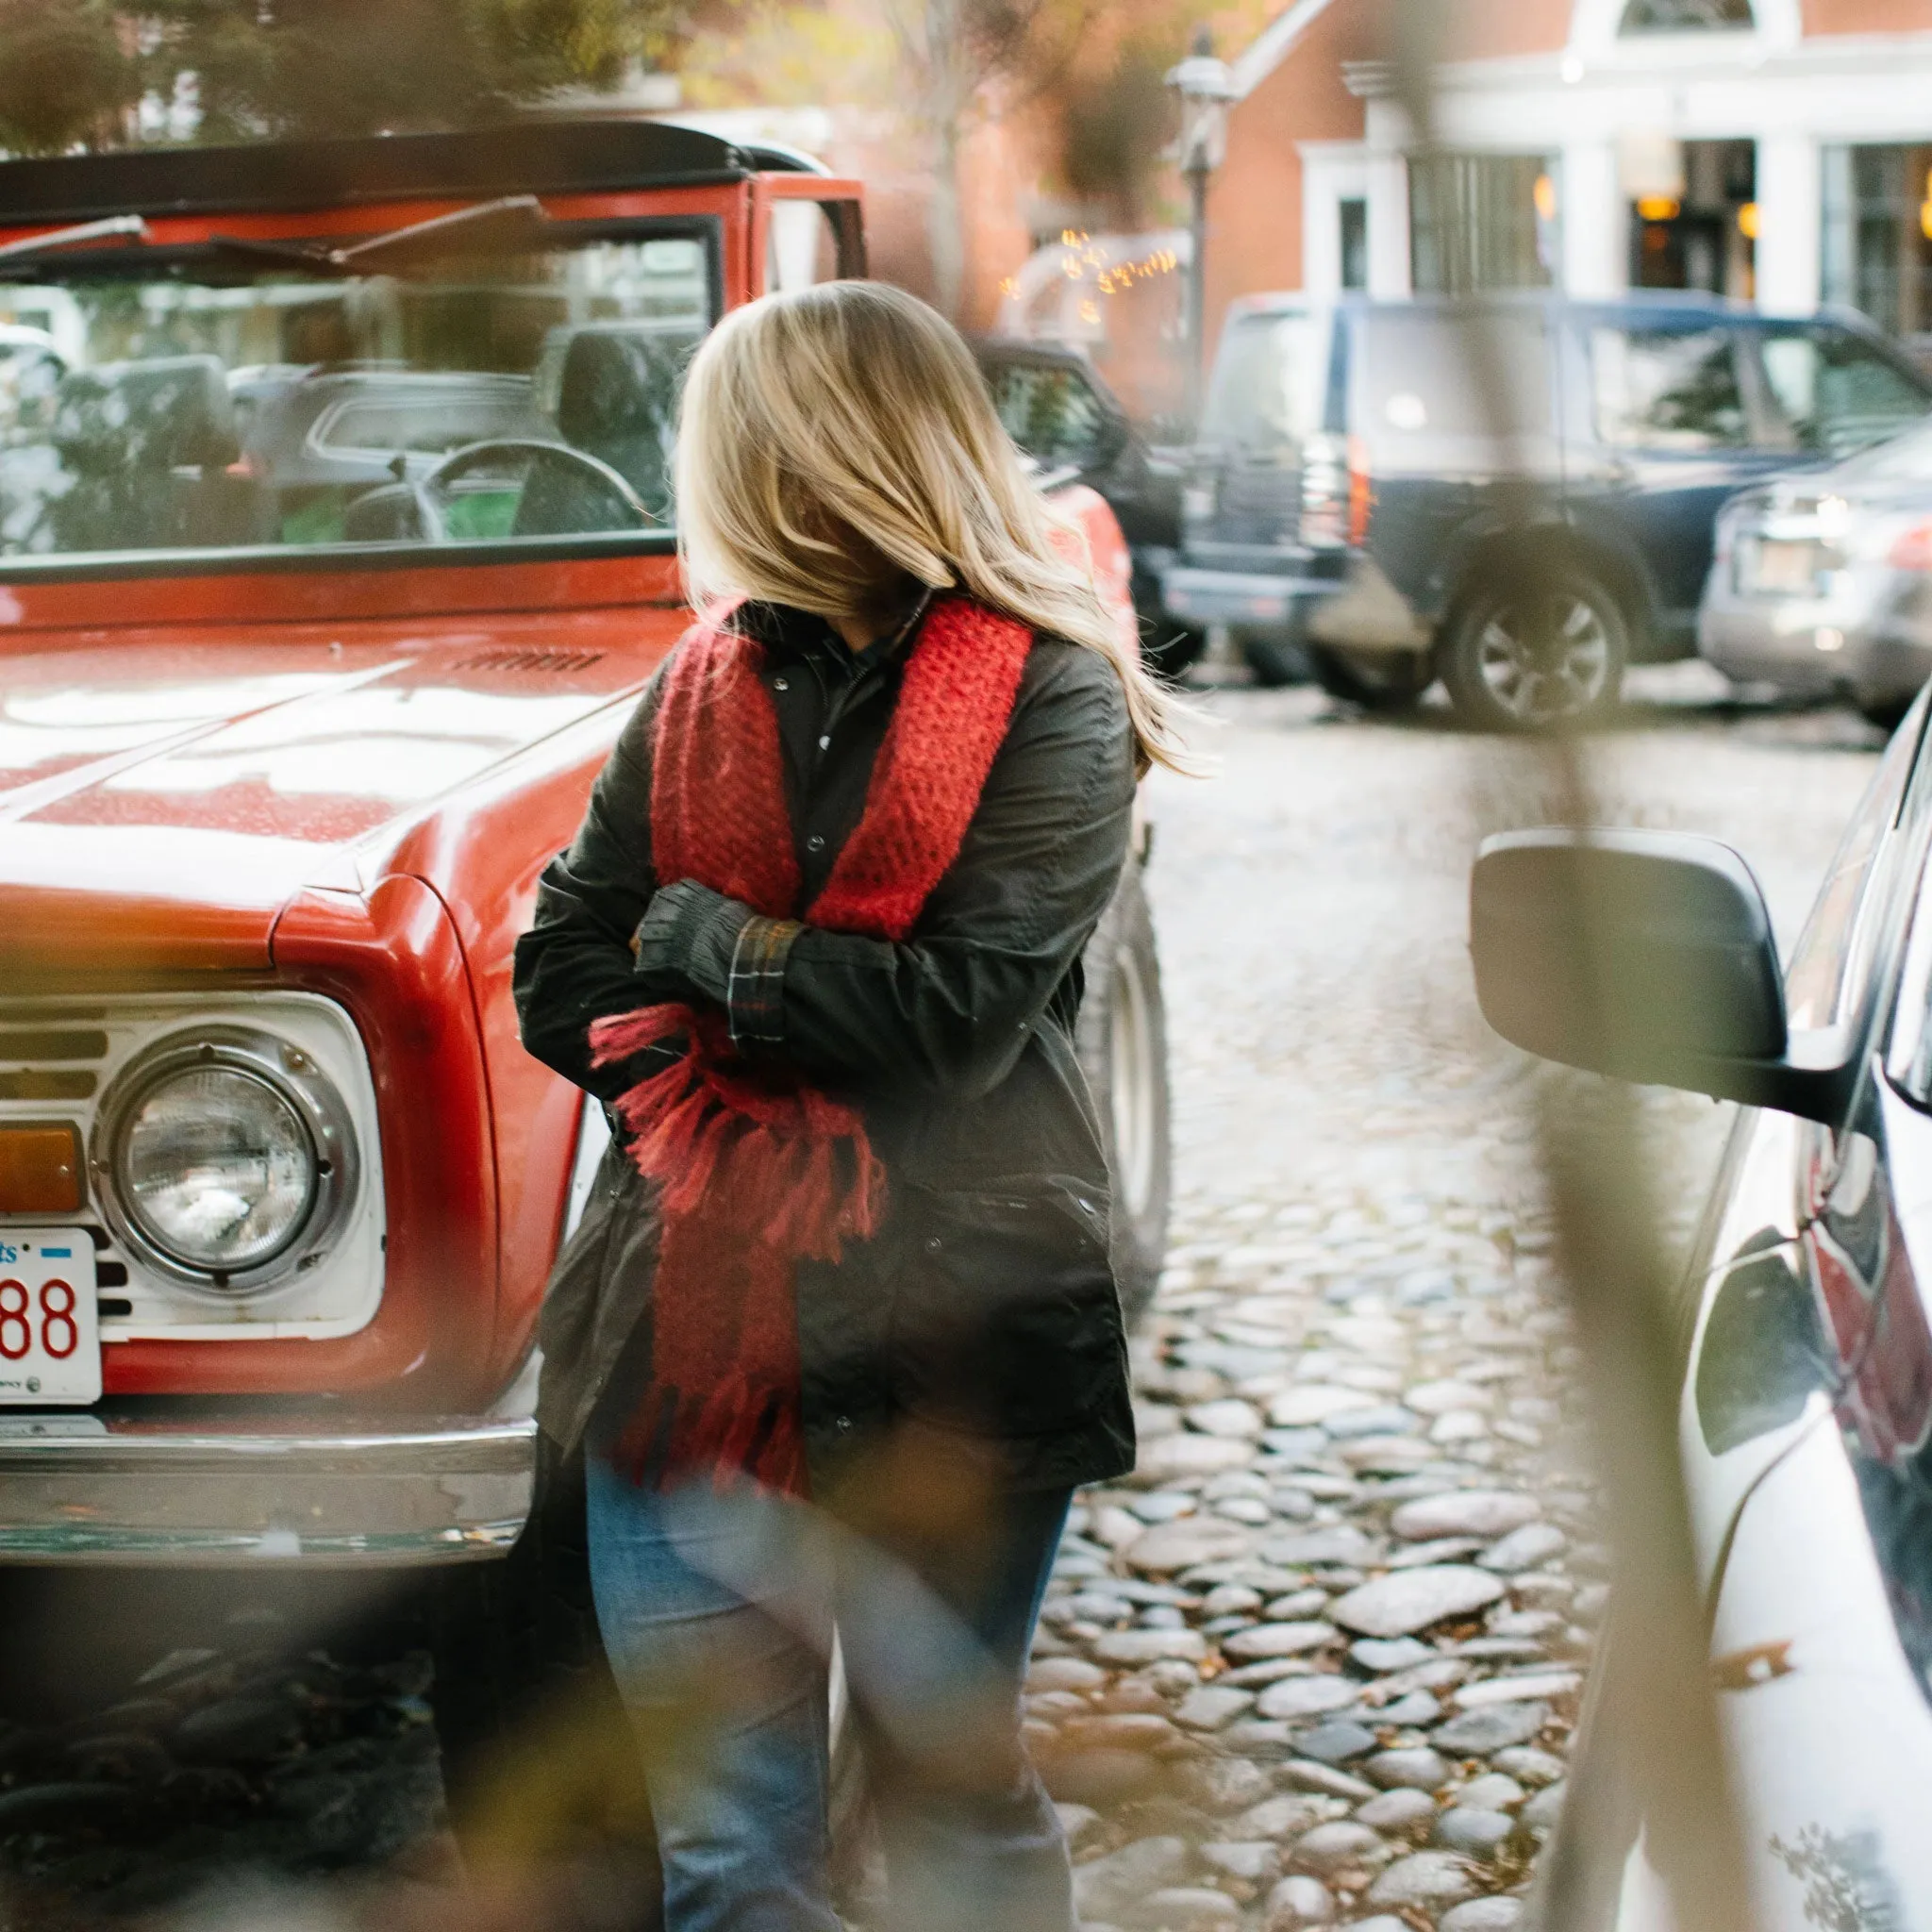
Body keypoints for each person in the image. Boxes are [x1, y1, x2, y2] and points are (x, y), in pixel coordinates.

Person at [512, 278, 1188, 1932]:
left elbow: (951, 1025)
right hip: (688, 1340)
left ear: (823, 457)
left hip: (951, 1337)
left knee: (945, 1805)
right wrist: (765, 995)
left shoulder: (1054, 696)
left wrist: (704, 948)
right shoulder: (694, 692)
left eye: (737, 447)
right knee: (732, 1857)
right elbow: (553, 974)